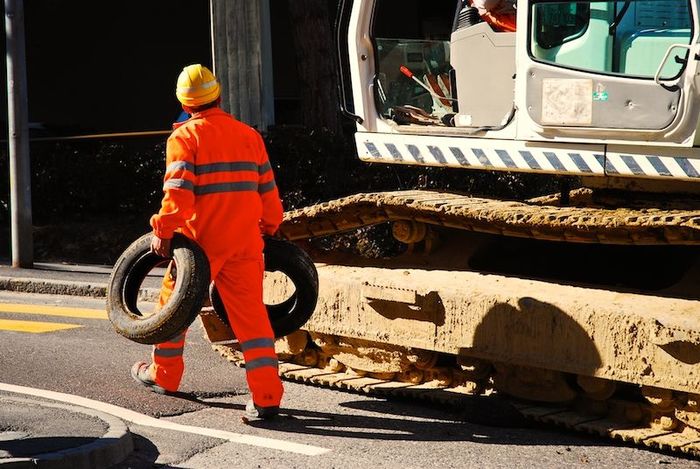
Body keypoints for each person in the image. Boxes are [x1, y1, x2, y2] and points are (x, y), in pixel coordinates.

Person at [130, 64, 285, 420]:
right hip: (245, 241)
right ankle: (266, 397)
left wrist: (163, 231)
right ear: (218, 95)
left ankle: (164, 376)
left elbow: (178, 196)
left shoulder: (184, 138)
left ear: (184, 102)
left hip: (201, 244)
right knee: (252, 319)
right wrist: (272, 226)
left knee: (173, 308)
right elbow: (267, 191)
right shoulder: (248, 135)